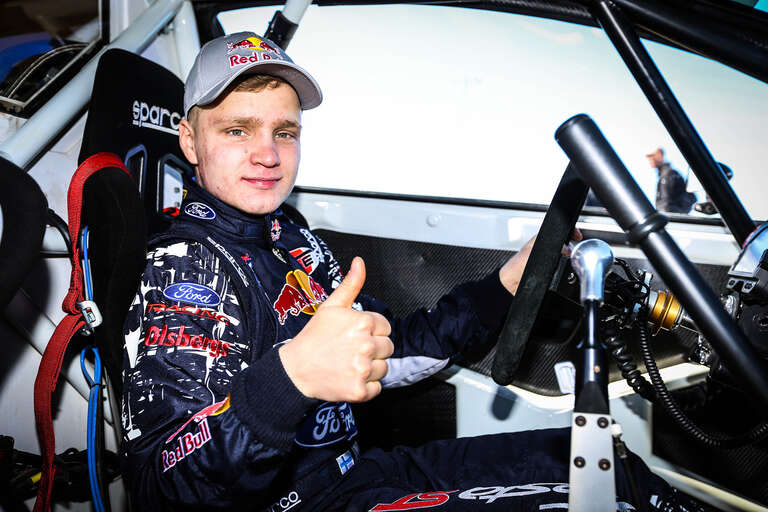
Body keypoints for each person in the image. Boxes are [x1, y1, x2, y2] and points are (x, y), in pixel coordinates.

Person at [121, 32, 699, 511]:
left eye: (285, 132)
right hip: (298, 503)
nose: (267, 154)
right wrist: (290, 379)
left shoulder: (291, 236)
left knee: (614, 473)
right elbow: (164, 489)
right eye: (237, 130)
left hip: (356, 473)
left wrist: (506, 288)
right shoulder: (183, 269)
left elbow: (397, 347)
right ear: (190, 142)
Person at [646, 148, 696, 214]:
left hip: (673, 217)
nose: (650, 161)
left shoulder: (669, 174)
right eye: (649, 158)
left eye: (652, 157)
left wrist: (669, 214)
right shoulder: (665, 175)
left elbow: (665, 202)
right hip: (672, 216)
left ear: (660, 156)